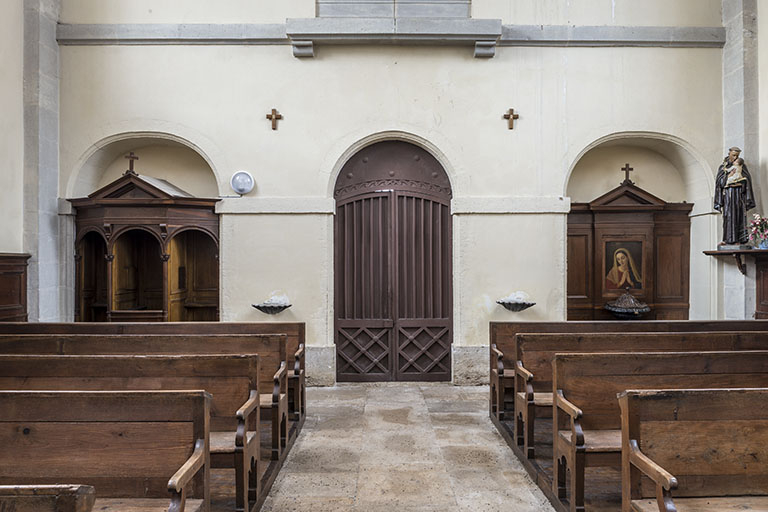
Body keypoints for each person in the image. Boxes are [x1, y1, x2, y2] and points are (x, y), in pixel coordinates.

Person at [714, 147, 756, 245]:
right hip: (728, 195)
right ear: (729, 154)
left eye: (737, 156)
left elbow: (747, 180)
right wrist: (728, 176)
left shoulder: (742, 166)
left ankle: (739, 239)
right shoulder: (723, 167)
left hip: (739, 194)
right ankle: (726, 239)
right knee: (728, 216)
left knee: (739, 215)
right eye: (733, 155)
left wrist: (742, 183)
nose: (735, 157)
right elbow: (719, 183)